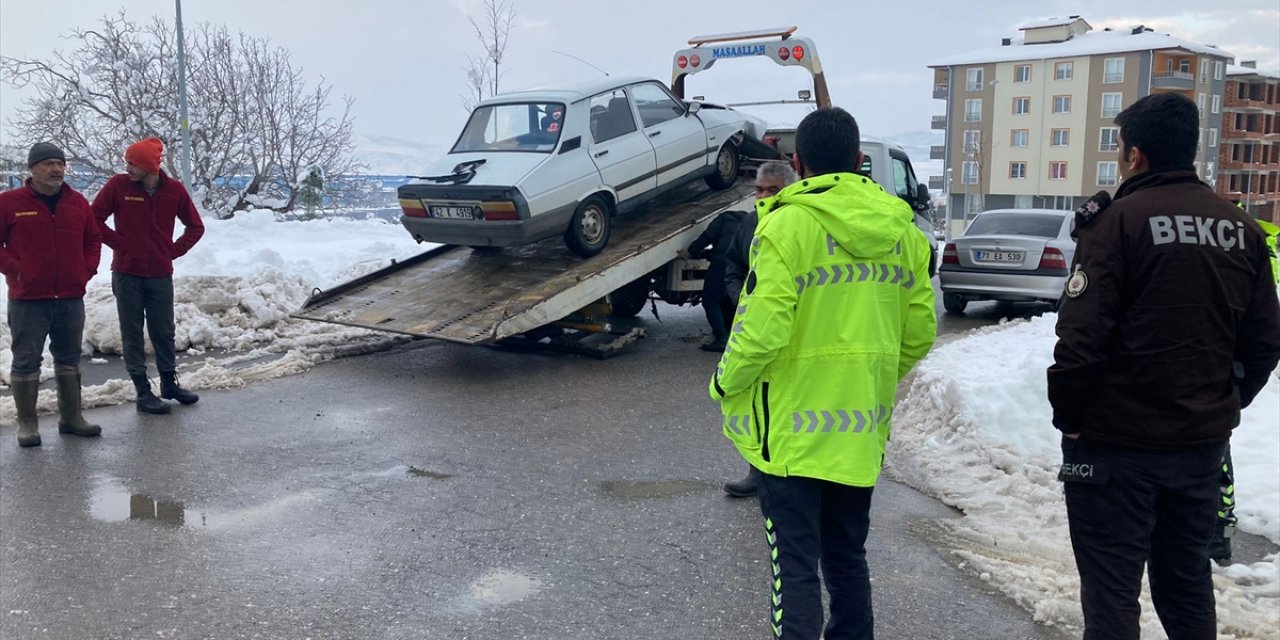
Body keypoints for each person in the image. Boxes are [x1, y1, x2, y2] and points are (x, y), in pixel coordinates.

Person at [1048, 92, 1280, 639]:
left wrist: (1071, 421)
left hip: (1114, 446)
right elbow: (1264, 341)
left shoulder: (1116, 223)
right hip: (1198, 448)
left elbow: (1080, 342)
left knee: (1111, 593)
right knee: (1186, 584)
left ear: (1135, 156)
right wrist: (1220, 401)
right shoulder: (1241, 230)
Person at [709, 107, 937, 639]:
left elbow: (760, 330)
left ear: (797, 163)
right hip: (858, 431)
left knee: (795, 569)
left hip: (791, 435)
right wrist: (870, 376)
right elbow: (919, 332)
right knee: (847, 559)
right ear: (859, 161)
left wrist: (726, 381)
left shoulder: (785, 226)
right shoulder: (904, 232)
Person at [92, 137, 205, 415]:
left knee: (164, 331)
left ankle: (169, 383)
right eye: (127, 162)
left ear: (149, 165)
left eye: (133, 163)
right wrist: (120, 244)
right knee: (132, 332)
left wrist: (172, 252)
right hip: (126, 273)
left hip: (160, 275)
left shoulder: (174, 191)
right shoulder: (118, 186)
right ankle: (143, 391)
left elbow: (195, 226)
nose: (128, 168)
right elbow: (93, 218)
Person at [0, 142, 102, 447]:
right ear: (32, 169)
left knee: (69, 357)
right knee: (27, 359)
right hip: (29, 298)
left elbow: (93, 240)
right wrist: (15, 270)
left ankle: (71, 418)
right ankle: (28, 425)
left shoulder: (78, 203)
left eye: (60, 163)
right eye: (48, 164)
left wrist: (86, 271)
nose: (56, 169)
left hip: (70, 296)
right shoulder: (9, 202)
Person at [720, 159, 797, 498]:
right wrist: (744, 302)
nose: (764, 196)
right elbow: (733, 267)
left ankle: (796, 474)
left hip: (795, 331)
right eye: (760, 190)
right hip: (754, 328)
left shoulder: (801, 224)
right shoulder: (751, 223)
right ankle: (758, 471)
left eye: (773, 190)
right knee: (757, 404)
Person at [679, 210, 745, 352]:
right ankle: (732, 335)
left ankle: (722, 338)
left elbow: (707, 237)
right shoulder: (748, 221)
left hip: (721, 264)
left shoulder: (723, 218)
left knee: (710, 301)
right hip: (740, 265)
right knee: (729, 300)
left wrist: (691, 251)